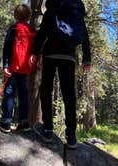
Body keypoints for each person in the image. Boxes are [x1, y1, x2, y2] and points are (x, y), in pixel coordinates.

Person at [32, 0, 91, 149]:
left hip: (50, 53)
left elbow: (42, 32)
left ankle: (48, 130)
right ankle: (71, 136)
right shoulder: (76, 10)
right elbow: (84, 35)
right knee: (69, 95)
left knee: (46, 90)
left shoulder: (52, 8)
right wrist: (86, 59)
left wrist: (35, 52)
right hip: (69, 56)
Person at [0, 4, 35, 133]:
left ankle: (6, 122)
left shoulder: (14, 29)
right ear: (29, 16)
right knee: (23, 95)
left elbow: (7, 48)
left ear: (15, 15)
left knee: (9, 94)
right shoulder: (31, 30)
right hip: (25, 69)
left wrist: (6, 66)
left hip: (13, 67)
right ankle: (23, 123)